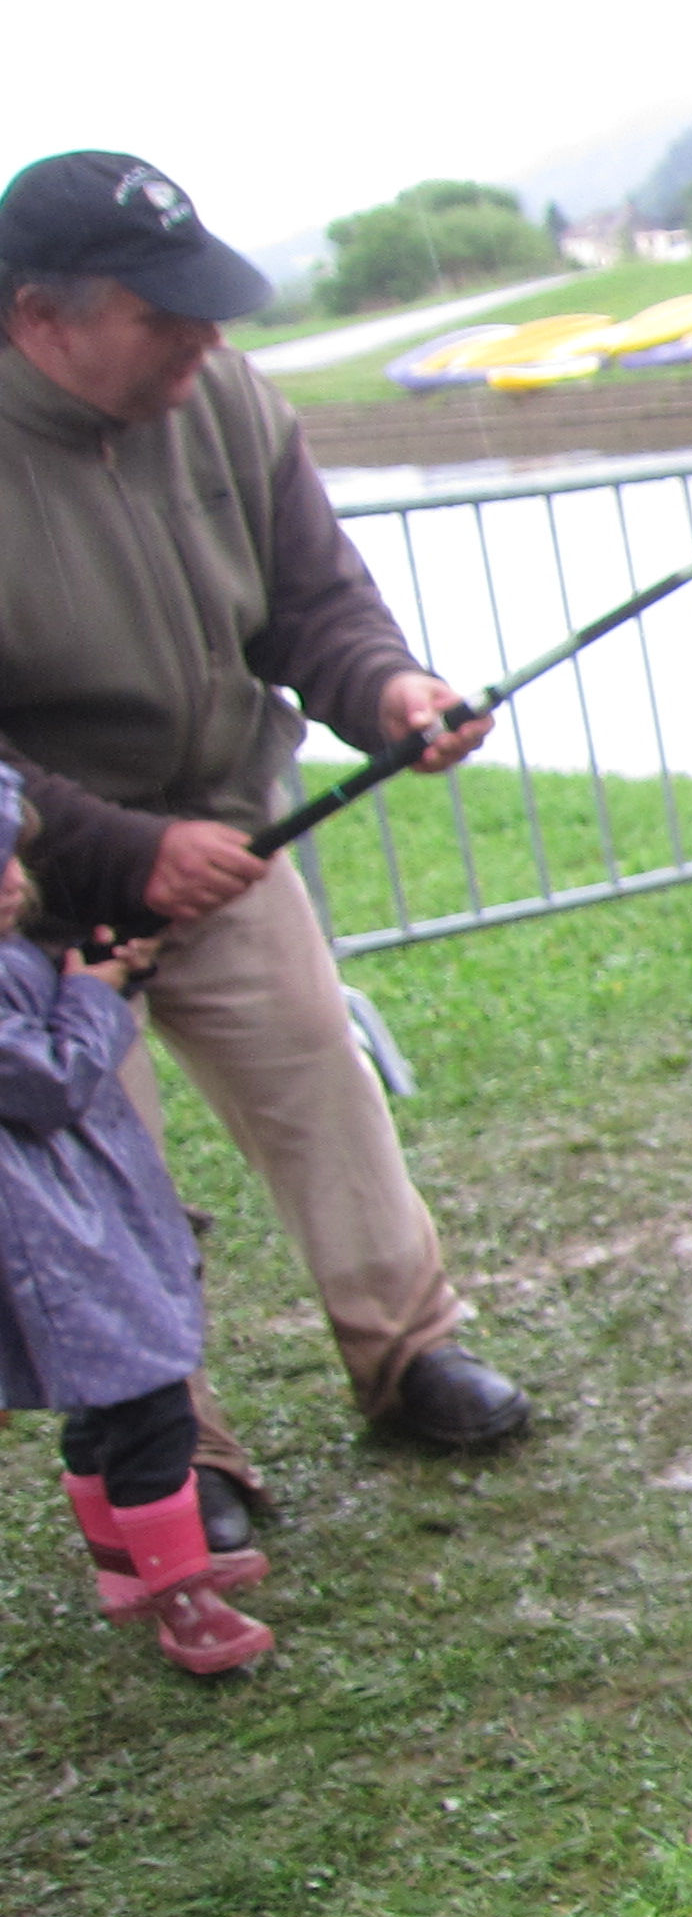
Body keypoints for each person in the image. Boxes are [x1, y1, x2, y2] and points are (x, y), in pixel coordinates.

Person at [0, 150, 534, 1527]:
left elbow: (315, 603)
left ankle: (409, 1350)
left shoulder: (224, 398)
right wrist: (123, 849)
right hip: (30, 899)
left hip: (232, 834)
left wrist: (389, 690)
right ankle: (175, 1447)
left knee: (322, 1086)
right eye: (161, 315)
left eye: (207, 308)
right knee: (100, 1175)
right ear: (41, 317)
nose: (203, 340)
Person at [0, 773, 275, 1675]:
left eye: (10, 859)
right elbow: (49, 1080)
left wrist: (90, 968)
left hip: (73, 1218)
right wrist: (95, 997)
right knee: (152, 1397)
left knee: (104, 1399)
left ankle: (129, 1565)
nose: (12, 882)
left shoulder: (9, 950)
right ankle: (184, 1599)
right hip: (54, 1236)